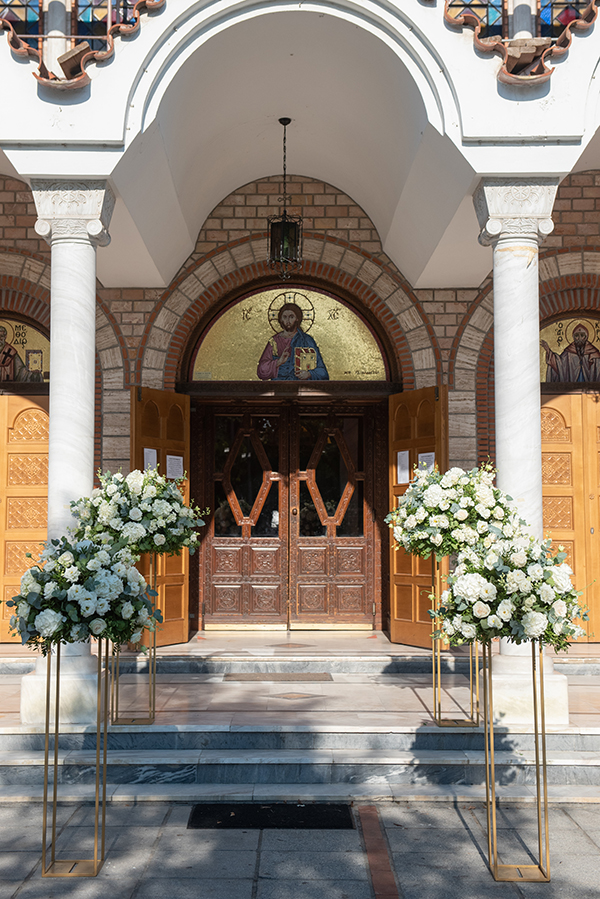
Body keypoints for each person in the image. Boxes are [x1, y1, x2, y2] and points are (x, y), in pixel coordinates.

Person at [257, 303, 329, 381]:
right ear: (280, 319)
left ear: (297, 318)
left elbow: (323, 372)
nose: (288, 321)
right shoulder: (274, 342)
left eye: (291, 317)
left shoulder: (307, 340)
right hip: (278, 388)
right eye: (285, 317)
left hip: (302, 388)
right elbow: (261, 371)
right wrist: (279, 362)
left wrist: (309, 374)